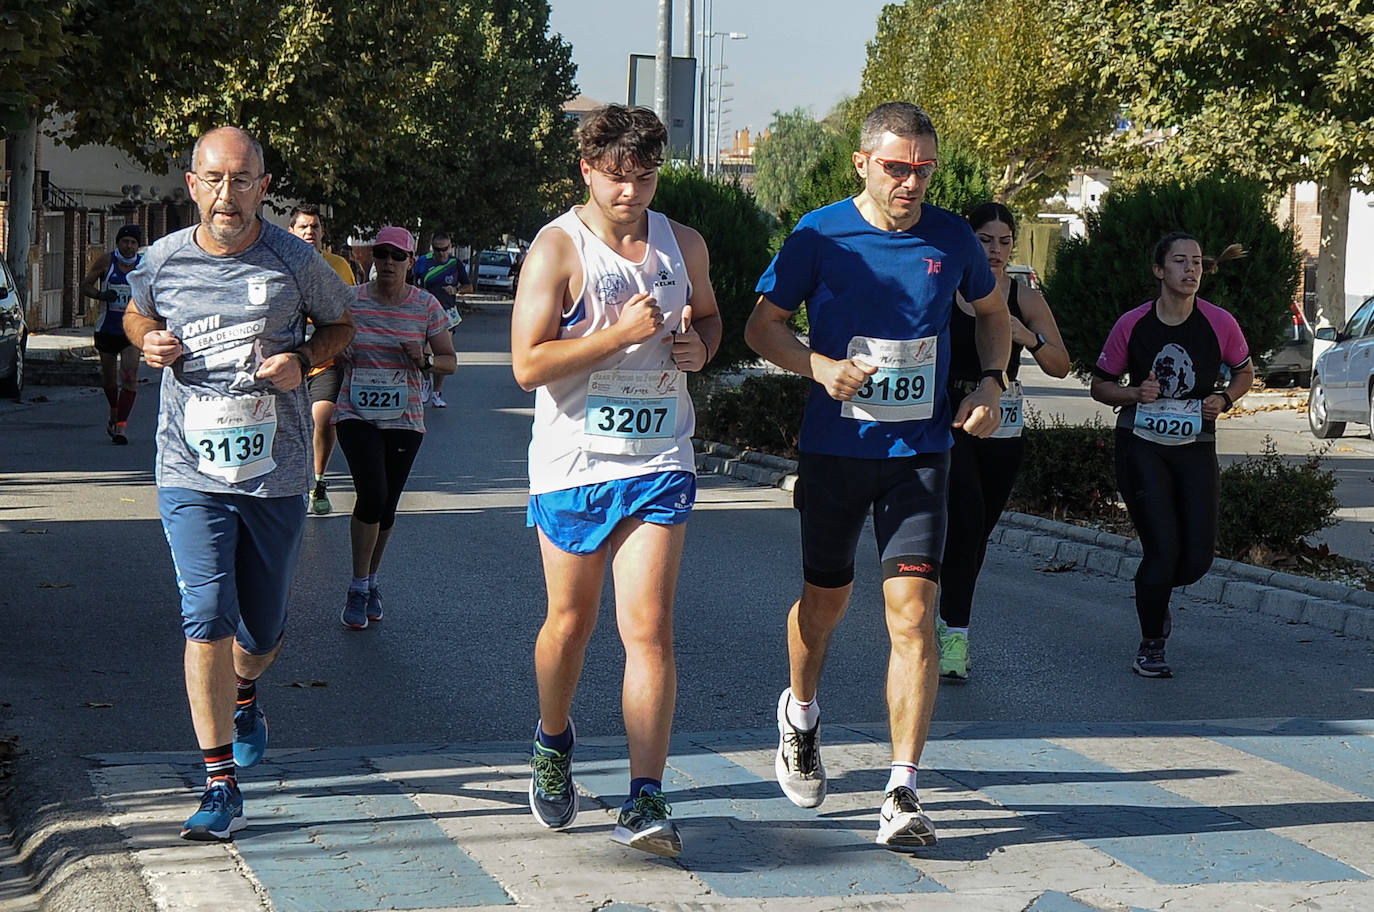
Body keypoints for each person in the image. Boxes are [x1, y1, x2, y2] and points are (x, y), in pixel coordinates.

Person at [744, 101, 1010, 849]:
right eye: (898, 167)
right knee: (824, 607)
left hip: (920, 456)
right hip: (835, 453)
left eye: (925, 168)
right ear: (862, 163)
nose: (912, 182)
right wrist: (817, 364)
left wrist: (992, 381)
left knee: (913, 617)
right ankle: (800, 713)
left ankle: (902, 790)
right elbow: (761, 327)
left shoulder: (952, 235)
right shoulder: (819, 234)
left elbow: (991, 312)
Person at [122, 126, 355, 841]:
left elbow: (341, 323)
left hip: (275, 470)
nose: (228, 193)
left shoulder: (295, 259)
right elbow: (138, 311)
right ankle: (219, 780)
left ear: (263, 186)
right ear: (192, 185)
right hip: (189, 467)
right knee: (206, 612)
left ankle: (246, 689)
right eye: (214, 179)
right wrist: (145, 339)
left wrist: (305, 360)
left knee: (259, 629)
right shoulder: (162, 259)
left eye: (242, 179)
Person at [510, 104, 721, 858]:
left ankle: (645, 796)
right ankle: (553, 738)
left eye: (645, 177)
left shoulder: (682, 243)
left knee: (651, 630)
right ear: (587, 171)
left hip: (659, 458)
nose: (631, 193)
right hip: (574, 465)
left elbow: (711, 319)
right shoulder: (557, 251)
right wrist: (617, 337)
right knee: (571, 624)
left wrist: (699, 346)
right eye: (616, 178)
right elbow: (528, 365)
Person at [1090, 233, 1252, 678]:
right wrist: (1133, 392)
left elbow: (1244, 370)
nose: (1191, 270)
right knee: (1161, 549)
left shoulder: (1219, 322)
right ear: (1159, 270)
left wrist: (1226, 399)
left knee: (1197, 558)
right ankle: (1152, 643)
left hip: (1195, 448)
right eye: (1180, 262)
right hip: (1141, 447)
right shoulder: (1134, 324)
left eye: (1197, 262)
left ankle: (1154, 591)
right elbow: (1099, 385)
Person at [936, 203, 1070, 680]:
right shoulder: (946, 286)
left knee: (978, 535)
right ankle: (955, 635)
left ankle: (945, 609)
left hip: (1005, 425)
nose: (994, 250)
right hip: (950, 422)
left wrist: (1025, 336)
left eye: (1004, 241)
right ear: (968, 240)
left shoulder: (1022, 295)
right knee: (967, 518)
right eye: (984, 240)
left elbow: (1061, 363)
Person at [333, 226, 456, 629]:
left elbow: (449, 361)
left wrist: (423, 360)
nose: (387, 262)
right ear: (372, 258)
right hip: (356, 413)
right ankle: (355, 585)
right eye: (381, 254)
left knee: (386, 506)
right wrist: (337, 349)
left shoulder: (425, 306)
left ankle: (370, 581)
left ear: (409, 261)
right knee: (372, 494)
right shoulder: (350, 301)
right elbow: (328, 343)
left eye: (396, 256)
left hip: (404, 418)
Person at [287, 204, 357, 514]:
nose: (309, 232)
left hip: (325, 360)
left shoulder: (338, 265)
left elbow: (354, 310)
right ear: (292, 231)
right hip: (286, 361)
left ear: (322, 233)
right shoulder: (280, 264)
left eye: (314, 227)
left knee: (324, 419)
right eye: (303, 227)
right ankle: (288, 483)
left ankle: (318, 482)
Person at [80, 223, 145, 444]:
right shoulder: (106, 261)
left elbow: (156, 290)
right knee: (109, 381)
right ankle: (114, 410)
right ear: (118, 242)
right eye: (125, 241)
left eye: (133, 242)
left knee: (129, 378)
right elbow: (85, 285)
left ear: (138, 245)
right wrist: (100, 295)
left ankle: (121, 427)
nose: (129, 246)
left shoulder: (144, 265)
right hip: (107, 328)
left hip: (132, 332)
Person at [411, 230, 472, 408]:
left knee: (443, 354)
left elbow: (469, 286)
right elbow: (412, 283)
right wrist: (420, 291)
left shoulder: (455, 264)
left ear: (450, 246)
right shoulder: (423, 262)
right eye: (438, 250)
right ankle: (425, 382)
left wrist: (457, 290)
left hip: (447, 315)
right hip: (425, 314)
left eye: (445, 249)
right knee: (426, 352)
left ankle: (437, 393)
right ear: (433, 248)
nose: (441, 253)